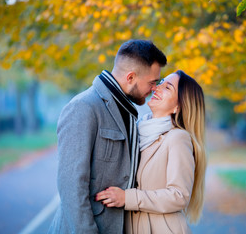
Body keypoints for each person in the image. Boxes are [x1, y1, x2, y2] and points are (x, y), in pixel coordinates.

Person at [48, 40, 167, 234]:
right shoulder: (84, 107)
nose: (155, 88)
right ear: (130, 77)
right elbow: (71, 186)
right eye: (152, 82)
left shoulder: (127, 111)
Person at [96, 70, 207, 234]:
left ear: (179, 106)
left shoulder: (178, 138)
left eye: (167, 88)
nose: (156, 88)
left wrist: (127, 198)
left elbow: (179, 196)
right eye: (161, 83)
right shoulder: (136, 129)